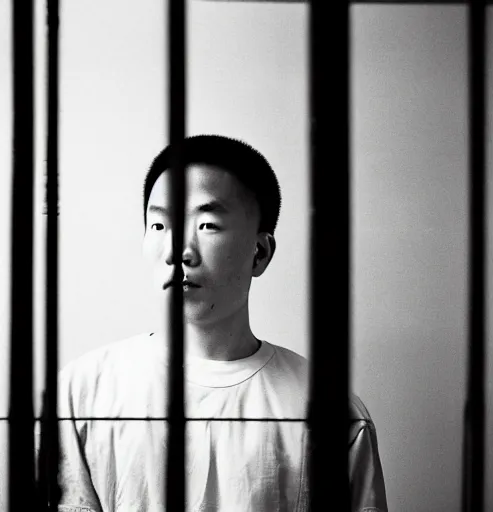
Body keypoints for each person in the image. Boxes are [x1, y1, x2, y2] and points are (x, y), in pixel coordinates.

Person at [52, 135, 388, 512]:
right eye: (160, 226)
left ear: (259, 253)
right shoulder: (81, 394)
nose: (178, 251)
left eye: (208, 225)